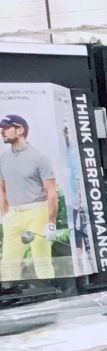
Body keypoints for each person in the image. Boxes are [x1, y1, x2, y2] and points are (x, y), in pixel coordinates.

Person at [0, 114, 59, 281]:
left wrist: (51, 223)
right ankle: (10, 293)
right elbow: (2, 190)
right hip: (13, 214)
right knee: (8, 263)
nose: (2, 132)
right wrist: (5, 215)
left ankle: (49, 291)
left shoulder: (40, 158)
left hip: (37, 212)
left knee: (41, 259)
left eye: (6, 128)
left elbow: (51, 191)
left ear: (20, 130)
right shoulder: (3, 159)